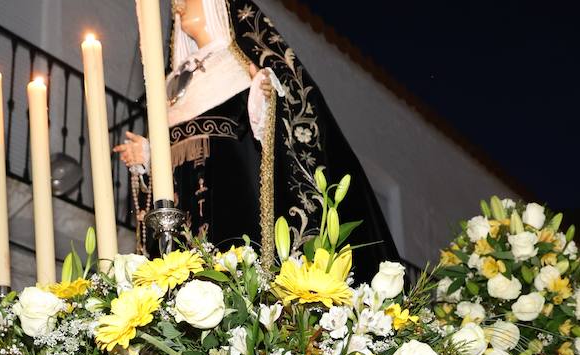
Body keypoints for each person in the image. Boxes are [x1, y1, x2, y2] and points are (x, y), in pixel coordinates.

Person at [115, 0, 398, 273]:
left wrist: (267, 104)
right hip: (181, 242)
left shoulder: (238, 65)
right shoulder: (168, 88)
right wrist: (149, 159)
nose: (179, 4)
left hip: (230, 221)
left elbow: (272, 144)